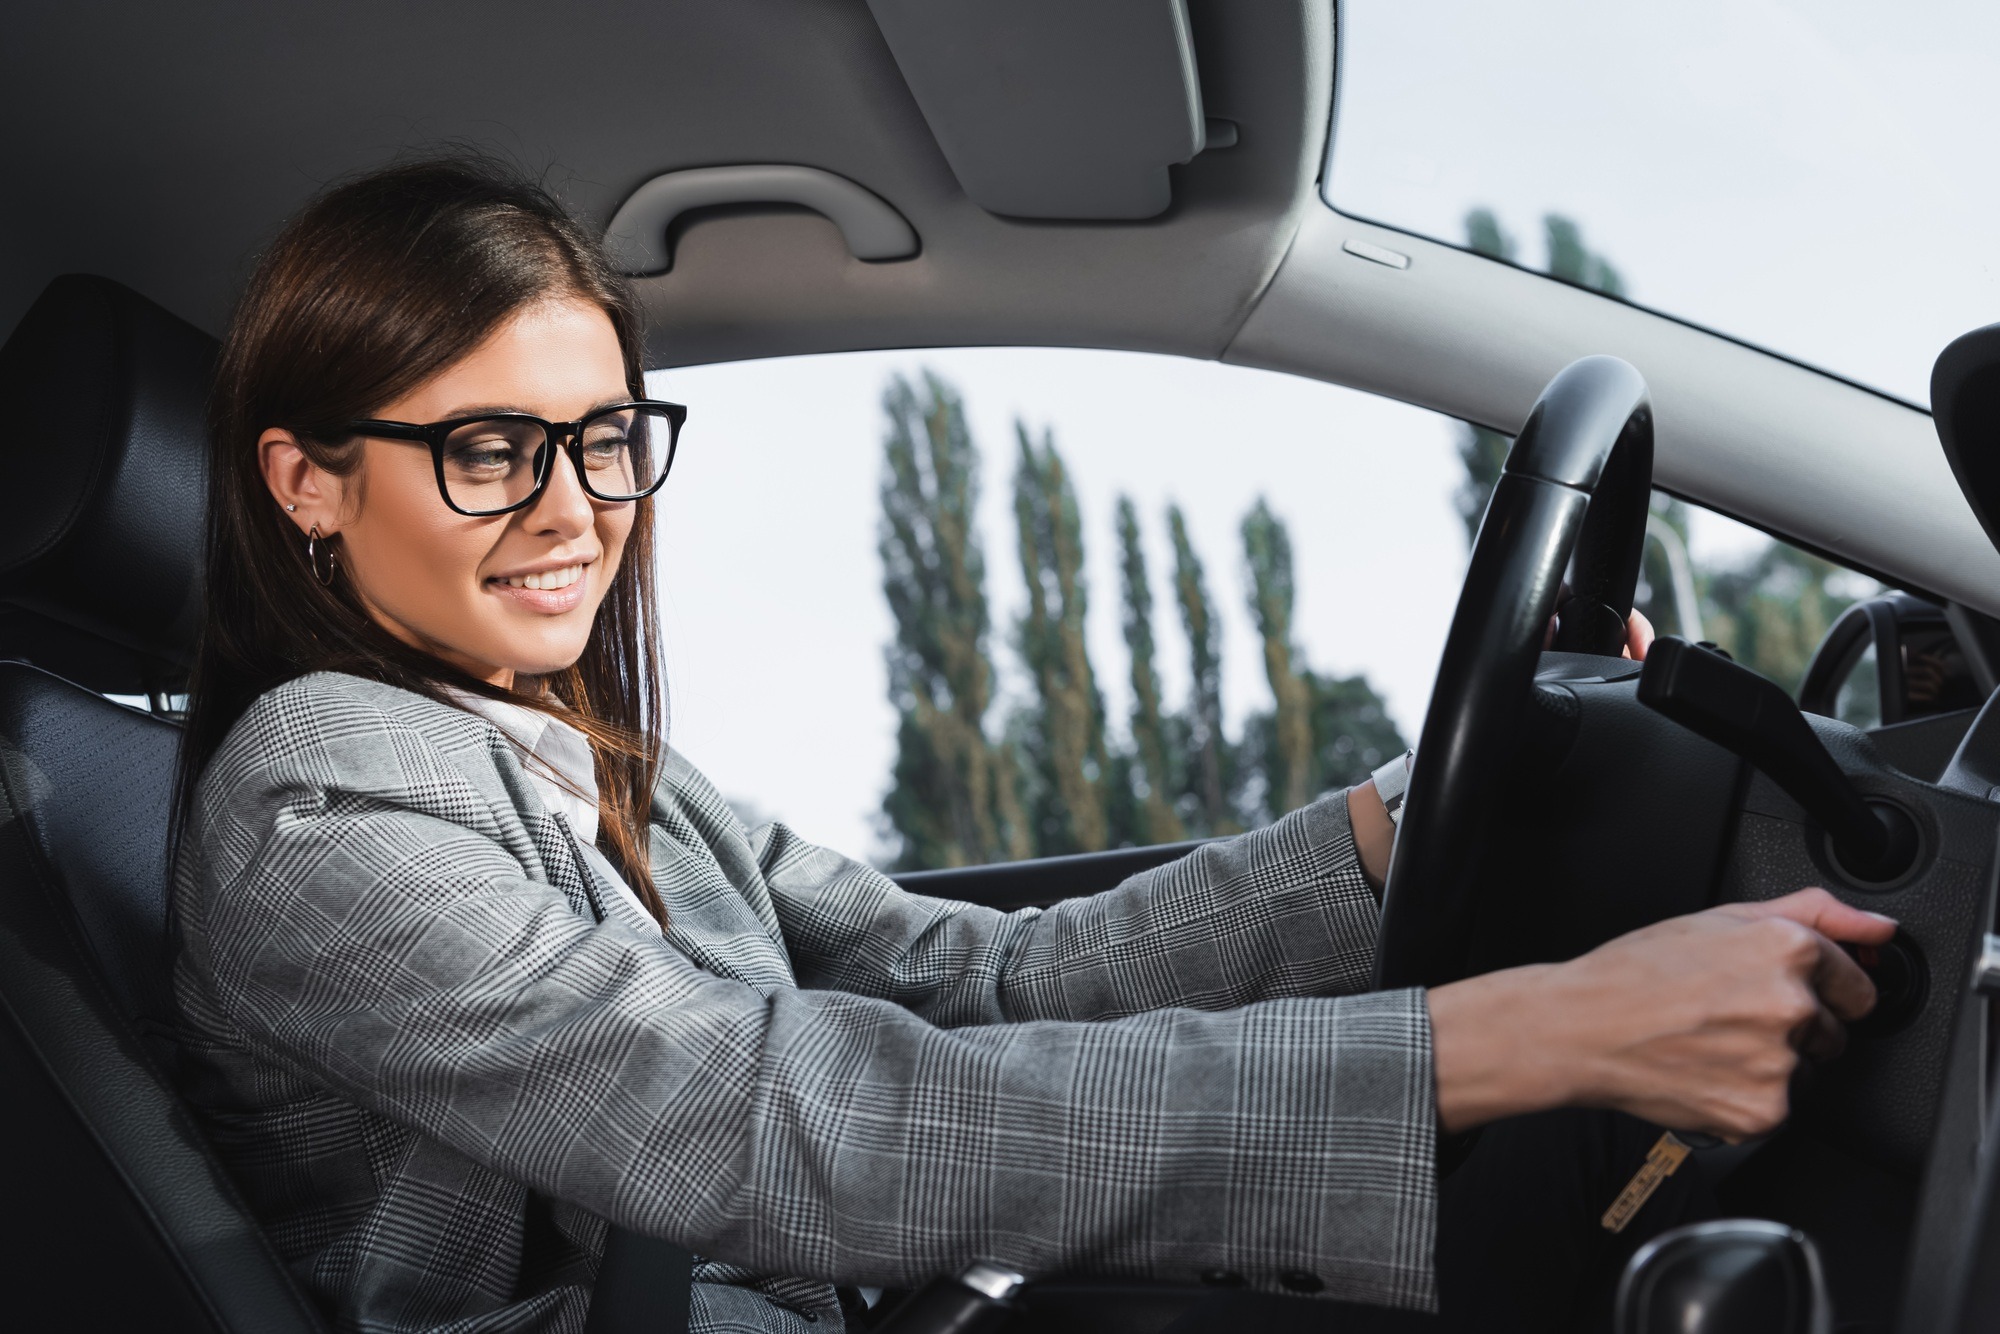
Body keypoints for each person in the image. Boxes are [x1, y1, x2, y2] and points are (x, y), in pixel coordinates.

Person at [169, 157, 1894, 1334]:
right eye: (488, 448)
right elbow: (779, 1125)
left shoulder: (596, 758)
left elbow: (980, 981)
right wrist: (1512, 1035)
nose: (576, 511)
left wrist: (1392, 816)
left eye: (605, 438)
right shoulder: (317, 803)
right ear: (306, 480)